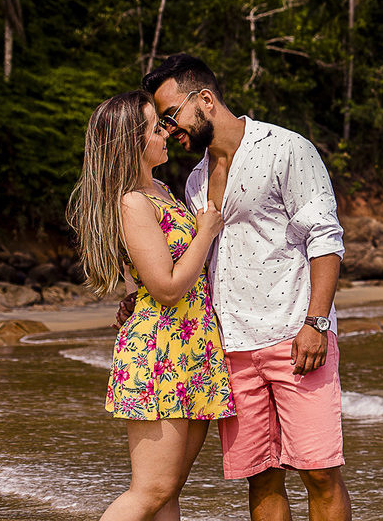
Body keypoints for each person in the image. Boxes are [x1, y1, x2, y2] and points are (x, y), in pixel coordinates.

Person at [132, 53, 352, 521]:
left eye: (172, 116)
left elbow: (325, 238)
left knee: (319, 473)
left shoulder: (286, 149)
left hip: (296, 338)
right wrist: (140, 299)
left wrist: (315, 322)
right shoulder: (193, 181)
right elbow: (194, 262)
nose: (170, 130)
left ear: (205, 100)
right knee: (261, 477)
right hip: (230, 349)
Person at [68, 90, 234, 521]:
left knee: (169, 490)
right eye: (155, 128)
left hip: (191, 346)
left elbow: (155, 274)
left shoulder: (158, 189)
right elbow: (166, 287)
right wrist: (206, 232)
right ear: (132, 142)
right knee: (151, 489)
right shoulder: (132, 202)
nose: (166, 133)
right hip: (160, 351)